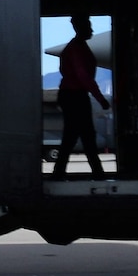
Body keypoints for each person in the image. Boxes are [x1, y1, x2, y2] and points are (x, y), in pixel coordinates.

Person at [52, 14, 111, 178]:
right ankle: (97, 173)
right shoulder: (77, 48)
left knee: (75, 135)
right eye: (89, 26)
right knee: (84, 135)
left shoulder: (76, 47)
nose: (91, 29)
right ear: (81, 28)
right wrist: (100, 98)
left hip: (71, 95)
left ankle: (60, 173)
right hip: (75, 96)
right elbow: (83, 76)